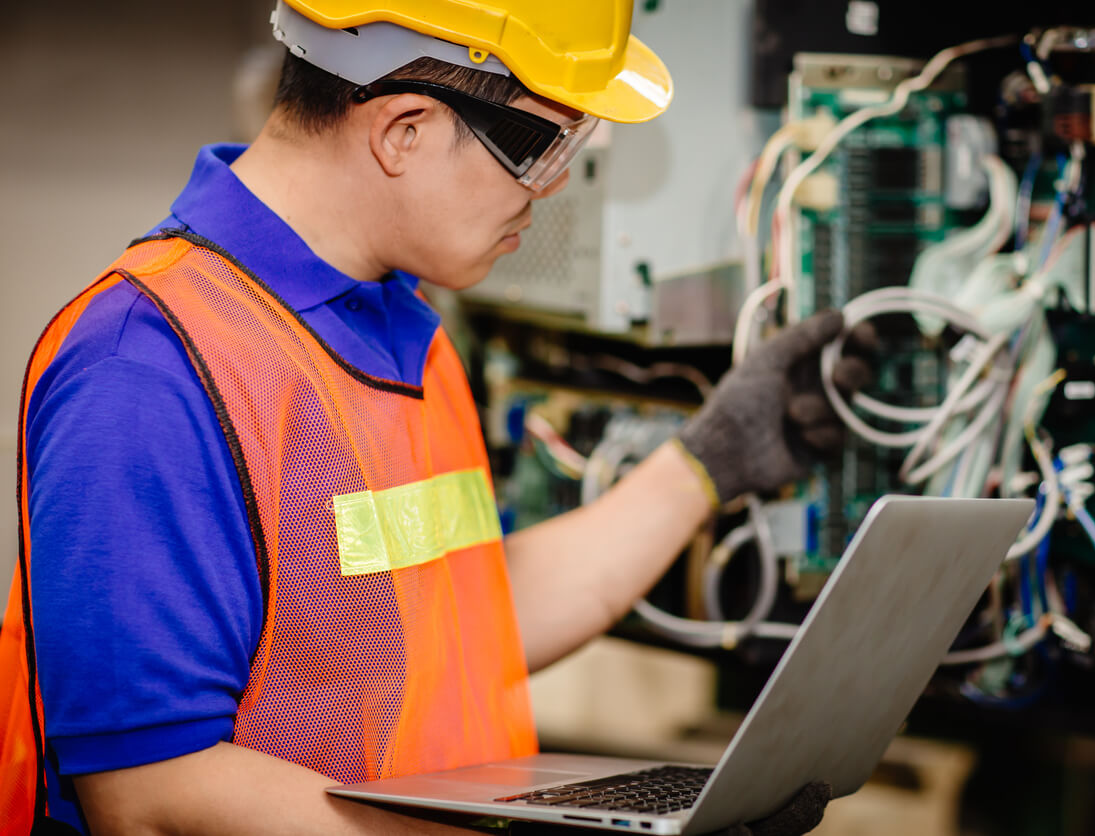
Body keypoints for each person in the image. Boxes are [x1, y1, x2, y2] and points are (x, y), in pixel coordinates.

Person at [0, 1, 874, 833]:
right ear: (403, 130)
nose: (559, 184)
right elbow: (153, 798)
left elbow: (455, 623)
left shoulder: (399, 322)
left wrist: (706, 465)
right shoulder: (148, 366)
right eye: (543, 143)